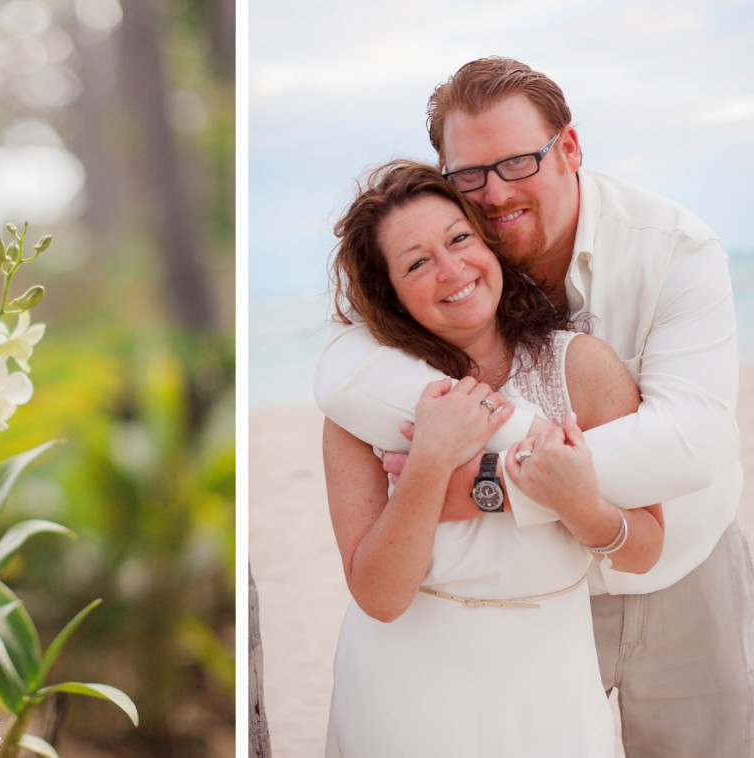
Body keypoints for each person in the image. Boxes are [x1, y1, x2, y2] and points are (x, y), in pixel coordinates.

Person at [315, 57, 753, 758]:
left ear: (569, 150)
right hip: (447, 664)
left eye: (518, 161)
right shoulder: (454, 270)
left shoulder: (671, 256)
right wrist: (435, 466)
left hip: (679, 578)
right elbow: (342, 372)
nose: (494, 195)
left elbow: (690, 445)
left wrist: (488, 485)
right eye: (471, 175)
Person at [322, 159, 664, 757]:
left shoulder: (582, 368)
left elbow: (646, 548)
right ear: (392, 295)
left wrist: (577, 505)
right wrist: (429, 462)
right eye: (417, 263)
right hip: (403, 690)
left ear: (488, 241)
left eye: (458, 239)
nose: (451, 269)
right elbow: (378, 596)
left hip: (548, 683)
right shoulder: (366, 406)